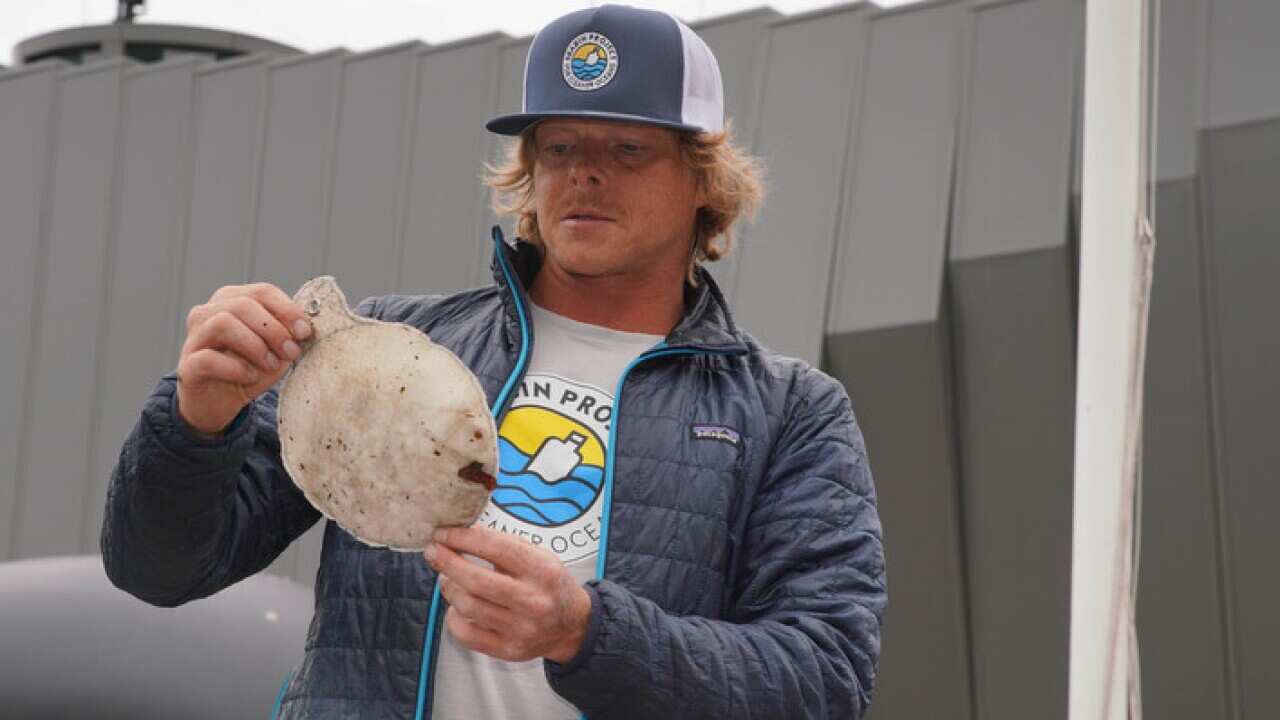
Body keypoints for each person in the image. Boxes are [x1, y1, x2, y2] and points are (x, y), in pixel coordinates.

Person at [101, 5, 886, 719]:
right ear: (529, 171)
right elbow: (158, 571)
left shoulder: (789, 410)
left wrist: (587, 632)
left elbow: (825, 679)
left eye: (628, 148)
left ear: (704, 181)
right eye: (559, 146)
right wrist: (198, 422)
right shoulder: (385, 348)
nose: (584, 172)